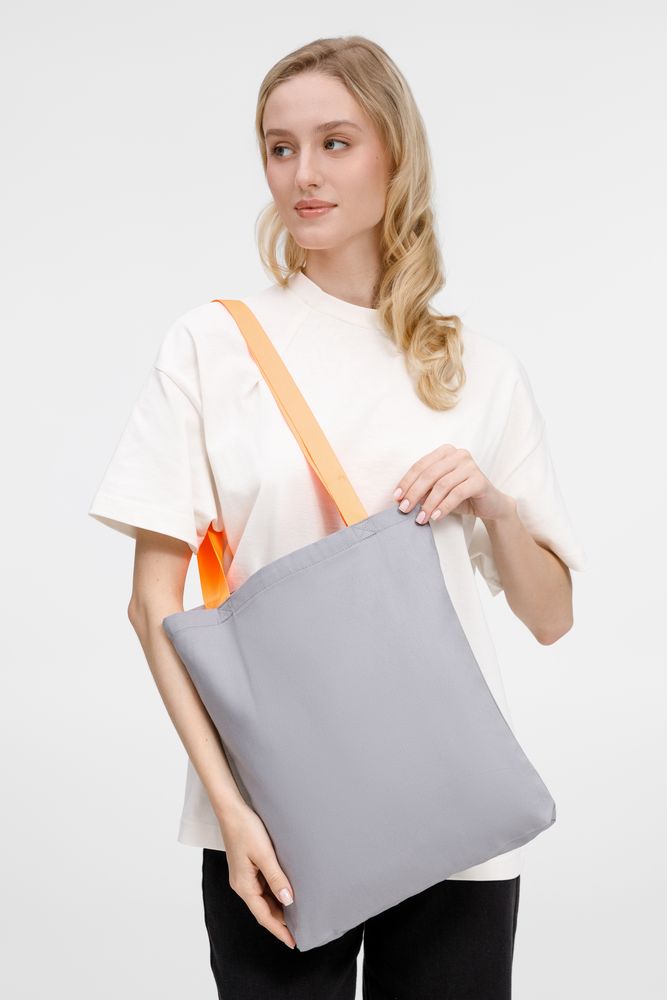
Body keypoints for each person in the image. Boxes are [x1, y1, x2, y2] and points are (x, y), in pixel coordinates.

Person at [88, 34, 587, 999]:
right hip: (274, 818)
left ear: (396, 154)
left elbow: (552, 616)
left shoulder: (480, 371)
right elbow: (152, 606)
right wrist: (231, 811)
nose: (303, 175)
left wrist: (492, 504)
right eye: (280, 148)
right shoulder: (215, 345)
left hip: (451, 807)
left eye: (334, 143)